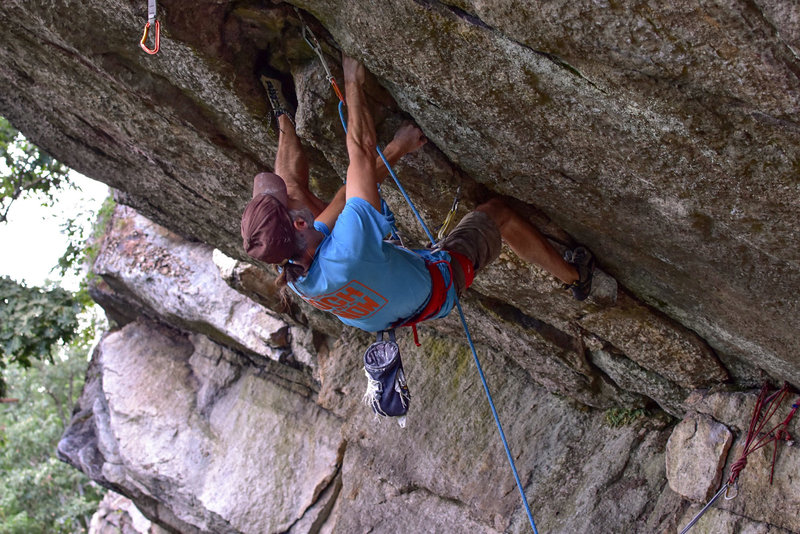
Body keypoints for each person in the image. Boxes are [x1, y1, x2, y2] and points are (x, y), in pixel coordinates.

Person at [241, 54, 594, 336]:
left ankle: (283, 116)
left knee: (301, 189)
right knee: (497, 212)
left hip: (388, 299)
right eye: (283, 207)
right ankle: (575, 277)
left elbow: (341, 199)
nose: (284, 198)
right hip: (439, 285)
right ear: (300, 223)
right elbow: (361, 156)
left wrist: (395, 150)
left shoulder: (292, 269)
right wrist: (352, 81)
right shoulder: (346, 247)